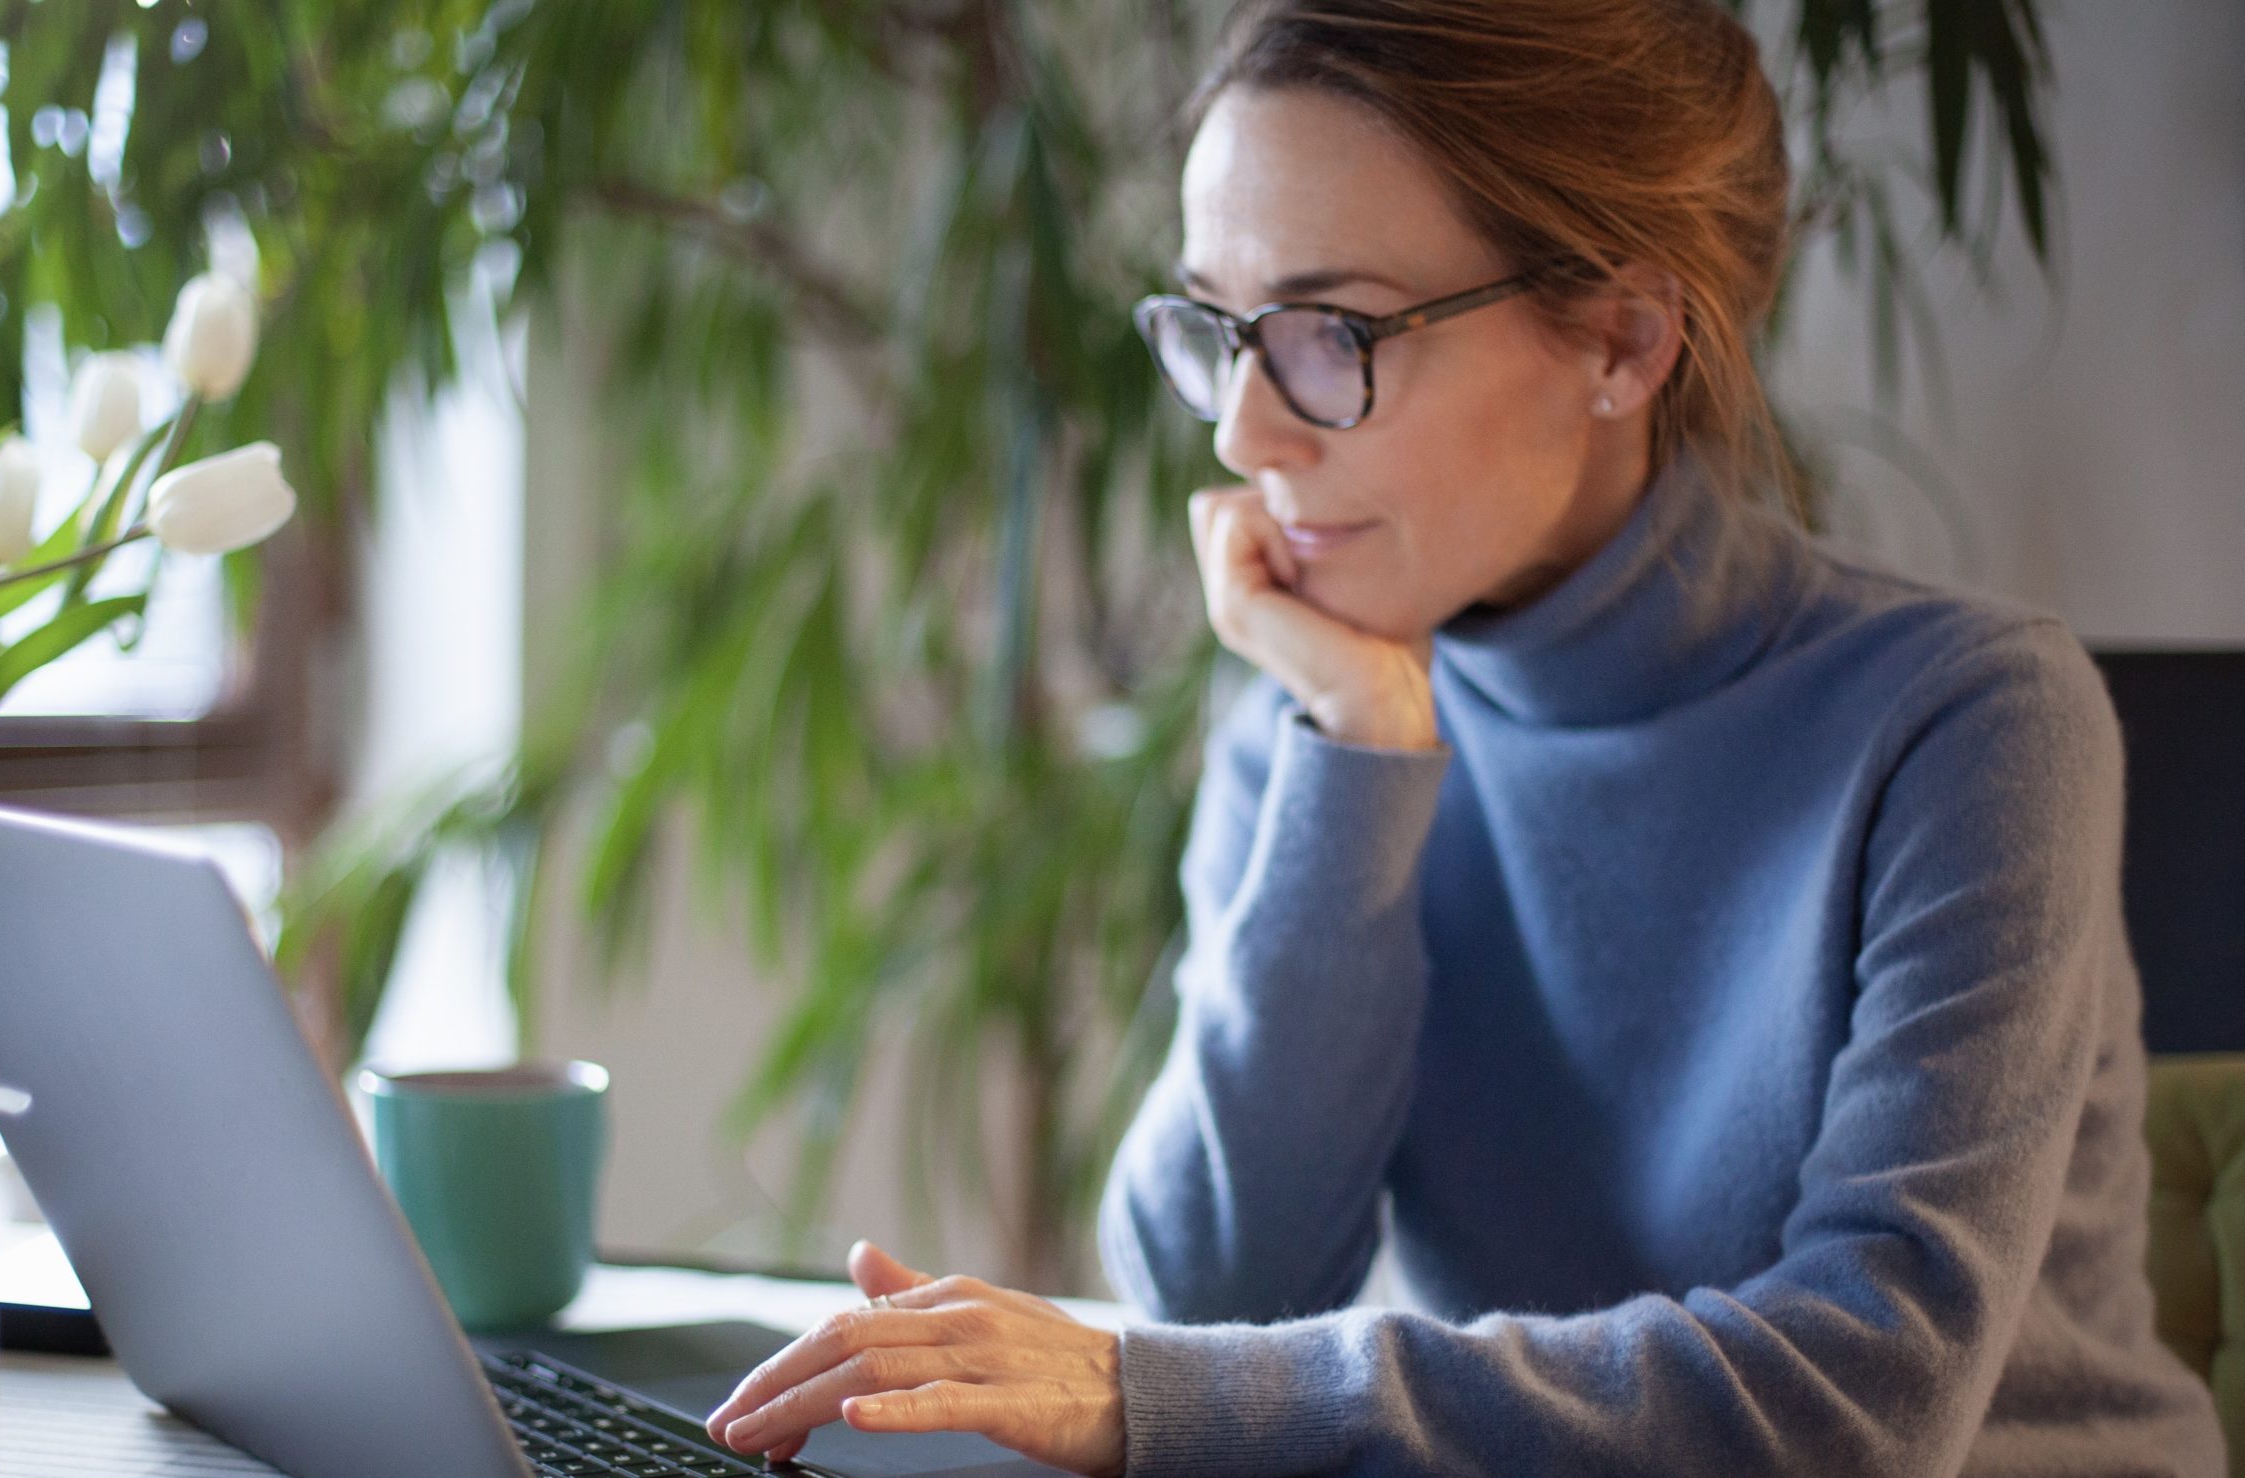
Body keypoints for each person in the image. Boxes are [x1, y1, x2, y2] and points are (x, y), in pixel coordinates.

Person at [702, 1, 2228, 1473]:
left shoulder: (1968, 724)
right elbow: (1210, 1295)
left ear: (1624, 342)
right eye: (1220, 327)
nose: (1242, 432)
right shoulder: (1320, 726)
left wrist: (1155, 1391)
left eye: (1332, 332)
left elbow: (1860, 1407)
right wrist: (1356, 754)